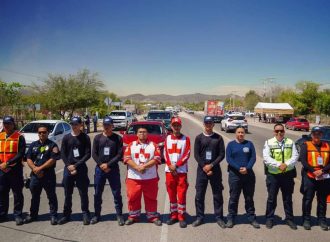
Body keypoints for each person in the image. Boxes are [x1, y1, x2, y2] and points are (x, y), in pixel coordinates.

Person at [123, 126, 162, 226]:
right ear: (137, 134)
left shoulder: (154, 145)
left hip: (150, 178)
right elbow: (126, 158)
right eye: (140, 132)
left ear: (147, 134)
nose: (142, 134)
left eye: (144, 132)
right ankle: (133, 216)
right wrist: (137, 167)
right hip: (133, 178)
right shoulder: (131, 145)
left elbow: (157, 158)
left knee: (151, 198)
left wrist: (143, 166)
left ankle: (152, 216)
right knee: (132, 197)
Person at [263, 123, 298, 229]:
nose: (279, 133)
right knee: (271, 198)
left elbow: (295, 156)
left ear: (284, 132)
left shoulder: (290, 142)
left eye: (281, 131)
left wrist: (286, 165)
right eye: (277, 131)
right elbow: (266, 158)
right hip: (273, 175)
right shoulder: (268, 142)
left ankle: (289, 219)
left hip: (287, 175)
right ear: (274, 132)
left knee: (288, 198)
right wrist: (279, 165)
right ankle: (269, 218)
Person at [193, 116, 226, 228]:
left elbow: (222, 154)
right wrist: (204, 167)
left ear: (213, 124)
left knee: (217, 195)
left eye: (210, 123)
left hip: (215, 170)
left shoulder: (219, 138)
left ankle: (219, 217)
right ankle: (199, 217)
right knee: (199, 195)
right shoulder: (199, 138)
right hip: (202, 170)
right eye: (206, 123)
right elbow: (196, 155)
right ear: (204, 124)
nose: (208, 125)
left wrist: (211, 165)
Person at [91, 117, 124, 225]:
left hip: (113, 169)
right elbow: (94, 154)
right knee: (97, 193)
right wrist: (101, 165)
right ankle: (97, 215)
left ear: (112, 126)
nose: (107, 127)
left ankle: (119, 215)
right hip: (100, 169)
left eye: (109, 125)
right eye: (105, 125)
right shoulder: (97, 138)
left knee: (116, 193)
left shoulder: (118, 138)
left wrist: (108, 165)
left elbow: (119, 155)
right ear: (103, 125)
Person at [24, 125, 60, 225]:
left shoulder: (53, 145)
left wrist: (40, 168)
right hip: (35, 176)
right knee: (35, 196)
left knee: (51, 196)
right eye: (40, 132)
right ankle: (33, 215)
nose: (42, 134)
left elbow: (53, 160)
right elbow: (28, 158)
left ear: (48, 133)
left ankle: (53, 215)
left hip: (48, 175)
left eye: (44, 132)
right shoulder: (33, 145)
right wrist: (35, 169)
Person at [58, 116, 91, 225]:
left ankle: (85, 213)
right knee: (68, 193)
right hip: (68, 169)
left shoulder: (85, 137)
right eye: (72, 124)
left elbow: (87, 154)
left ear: (81, 125)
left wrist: (76, 165)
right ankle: (66, 214)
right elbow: (63, 153)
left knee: (83, 193)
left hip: (80, 168)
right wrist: (69, 166)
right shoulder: (66, 138)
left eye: (76, 124)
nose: (74, 126)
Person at [226, 126, 260, 229]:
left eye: (242, 132)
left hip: (248, 175)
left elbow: (253, 158)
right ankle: (231, 218)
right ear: (235, 133)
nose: (240, 134)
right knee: (233, 197)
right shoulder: (231, 145)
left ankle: (251, 218)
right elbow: (229, 158)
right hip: (235, 175)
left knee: (249, 198)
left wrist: (247, 168)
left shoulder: (249, 144)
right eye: (238, 132)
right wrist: (239, 168)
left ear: (244, 133)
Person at [300, 126, 330, 230]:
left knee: (322, 199)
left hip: (324, 176)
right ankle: (306, 219)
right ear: (311, 135)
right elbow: (303, 161)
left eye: (319, 134)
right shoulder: (305, 145)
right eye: (314, 134)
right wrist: (314, 171)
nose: (317, 136)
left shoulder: (328, 146)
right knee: (308, 199)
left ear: (322, 135)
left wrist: (322, 171)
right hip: (310, 176)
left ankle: (321, 219)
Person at [164, 117, 190, 228]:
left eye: (178, 125)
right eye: (174, 125)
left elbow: (187, 154)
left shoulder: (186, 139)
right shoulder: (167, 138)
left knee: (181, 194)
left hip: (181, 171)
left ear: (181, 126)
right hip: (169, 171)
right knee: (171, 194)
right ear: (171, 126)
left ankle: (181, 216)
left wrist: (177, 165)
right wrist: (170, 166)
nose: (176, 127)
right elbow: (165, 153)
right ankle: (173, 215)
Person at [0, 116, 26, 225]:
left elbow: (21, 154)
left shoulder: (19, 137)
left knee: (17, 193)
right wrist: (1, 165)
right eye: (5, 123)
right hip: (1, 170)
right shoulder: (0, 136)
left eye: (9, 123)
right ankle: (2, 214)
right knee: (2, 193)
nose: (7, 125)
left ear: (13, 124)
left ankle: (18, 215)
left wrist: (8, 164)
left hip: (14, 170)